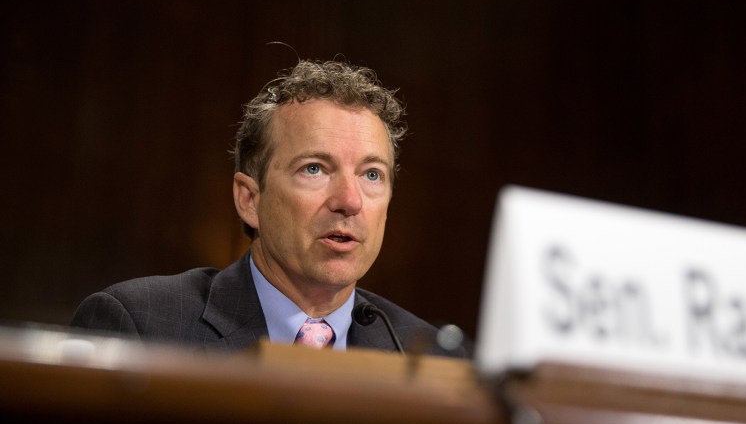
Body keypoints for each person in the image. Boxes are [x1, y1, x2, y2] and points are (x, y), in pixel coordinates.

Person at [71, 58, 463, 357]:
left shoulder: (429, 357)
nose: (349, 201)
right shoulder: (140, 325)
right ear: (250, 199)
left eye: (371, 174)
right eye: (314, 168)